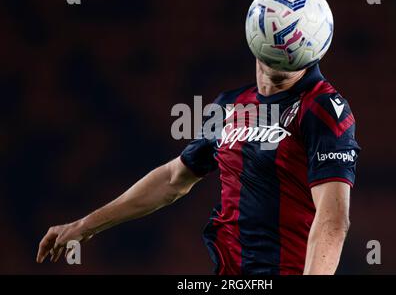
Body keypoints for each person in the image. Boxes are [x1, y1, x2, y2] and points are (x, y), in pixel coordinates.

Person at [36, 57, 360, 275]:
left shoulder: (324, 109)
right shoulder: (231, 104)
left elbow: (333, 218)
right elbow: (174, 178)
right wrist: (85, 225)